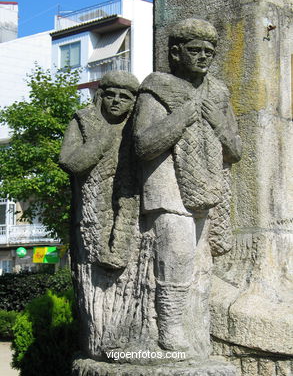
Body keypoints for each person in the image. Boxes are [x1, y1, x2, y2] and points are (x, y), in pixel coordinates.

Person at [133, 18, 242, 353]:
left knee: (197, 265)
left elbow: (236, 149)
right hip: (166, 185)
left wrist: (218, 122)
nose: (203, 57)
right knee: (176, 255)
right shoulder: (156, 87)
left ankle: (191, 329)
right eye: (195, 50)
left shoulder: (218, 92)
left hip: (205, 183)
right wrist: (184, 115)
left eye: (209, 51)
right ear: (175, 52)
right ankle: (169, 329)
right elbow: (143, 145)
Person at [59, 71, 140, 270]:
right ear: (100, 96)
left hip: (129, 200)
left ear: (133, 101)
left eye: (124, 97)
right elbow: (69, 162)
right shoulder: (83, 119)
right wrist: (101, 142)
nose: (116, 101)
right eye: (110, 95)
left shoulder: (136, 126)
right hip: (92, 204)